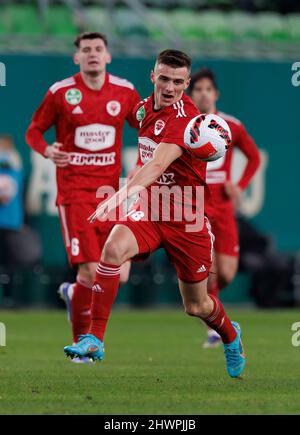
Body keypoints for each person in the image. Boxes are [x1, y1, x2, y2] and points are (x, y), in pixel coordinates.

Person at [64, 50, 246, 378]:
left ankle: (230, 336)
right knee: (113, 249)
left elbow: (159, 163)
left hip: (186, 218)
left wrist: (120, 194)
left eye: (178, 82)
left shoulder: (185, 118)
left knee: (197, 306)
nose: (170, 87)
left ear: (186, 84)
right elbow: (147, 154)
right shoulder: (143, 108)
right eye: (164, 79)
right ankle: (94, 338)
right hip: (150, 209)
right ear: (153, 77)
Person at [26, 32, 141, 360]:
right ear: (76, 58)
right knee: (92, 271)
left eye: (98, 49)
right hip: (74, 193)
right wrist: (47, 149)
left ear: (108, 56)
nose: (92, 54)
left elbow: (146, 128)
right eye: (86, 50)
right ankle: (83, 346)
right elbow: (33, 130)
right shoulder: (61, 92)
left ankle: (74, 294)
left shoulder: (125, 91)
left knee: (117, 272)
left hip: (110, 195)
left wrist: (145, 165)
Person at [189, 68, 260, 348]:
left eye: (208, 89)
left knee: (228, 272)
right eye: (198, 89)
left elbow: (254, 158)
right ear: (191, 94)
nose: (203, 93)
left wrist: (240, 185)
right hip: (198, 204)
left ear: (216, 94)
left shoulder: (231, 125)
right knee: (210, 268)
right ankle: (216, 329)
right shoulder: (184, 126)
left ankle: (211, 308)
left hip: (224, 205)